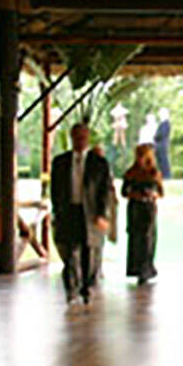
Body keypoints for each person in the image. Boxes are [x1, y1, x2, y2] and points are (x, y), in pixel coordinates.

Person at [50, 123, 114, 305]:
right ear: (71, 138)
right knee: (70, 252)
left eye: (83, 137)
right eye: (76, 137)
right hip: (69, 211)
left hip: (90, 213)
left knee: (89, 251)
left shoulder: (99, 163)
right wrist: (57, 212)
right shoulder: (60, 162)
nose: (80, 141)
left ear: (88, 139)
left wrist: (102, 214)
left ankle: (87, 288)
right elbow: (55, 190)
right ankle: (71, 290)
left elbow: (105, 191)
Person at [122, 143, 162, 284]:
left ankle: (147, 269)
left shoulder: (153, 172)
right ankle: (136, 268)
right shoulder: (131, 172)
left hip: (148, 207)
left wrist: (153, 195)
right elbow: (124, 192)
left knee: (148, 238)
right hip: (135, 207)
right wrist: (135, 195)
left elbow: (161, 192)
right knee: (135, 237)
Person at [154, 108, 173, 178]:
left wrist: (155, 136)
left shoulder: (166, 123)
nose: (160, 115)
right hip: (159, 145)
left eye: (161, 113)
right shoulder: (162, 123)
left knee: (164, 160)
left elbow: (161, 134)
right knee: (160, 161)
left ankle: (167, 175)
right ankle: (163, 174)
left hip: (162, 145)